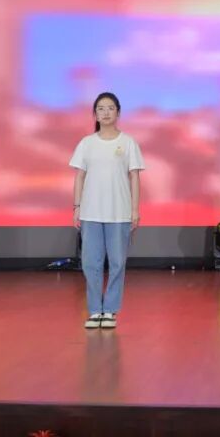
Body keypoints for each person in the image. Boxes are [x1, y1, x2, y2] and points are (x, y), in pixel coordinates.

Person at [70, 92, 145, 329]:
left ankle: (110, 310)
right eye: (101, 108)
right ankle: (95, 310)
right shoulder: (87, 143)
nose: (106, 112)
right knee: (90, 263)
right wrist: (77, 207)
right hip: (90, 212)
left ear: (118, 113)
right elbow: (79, 176)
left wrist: (134, 209)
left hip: (119, 213)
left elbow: (134, 177)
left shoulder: (128, 142)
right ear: (95, 114)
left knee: (117, 262)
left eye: (110, 108)